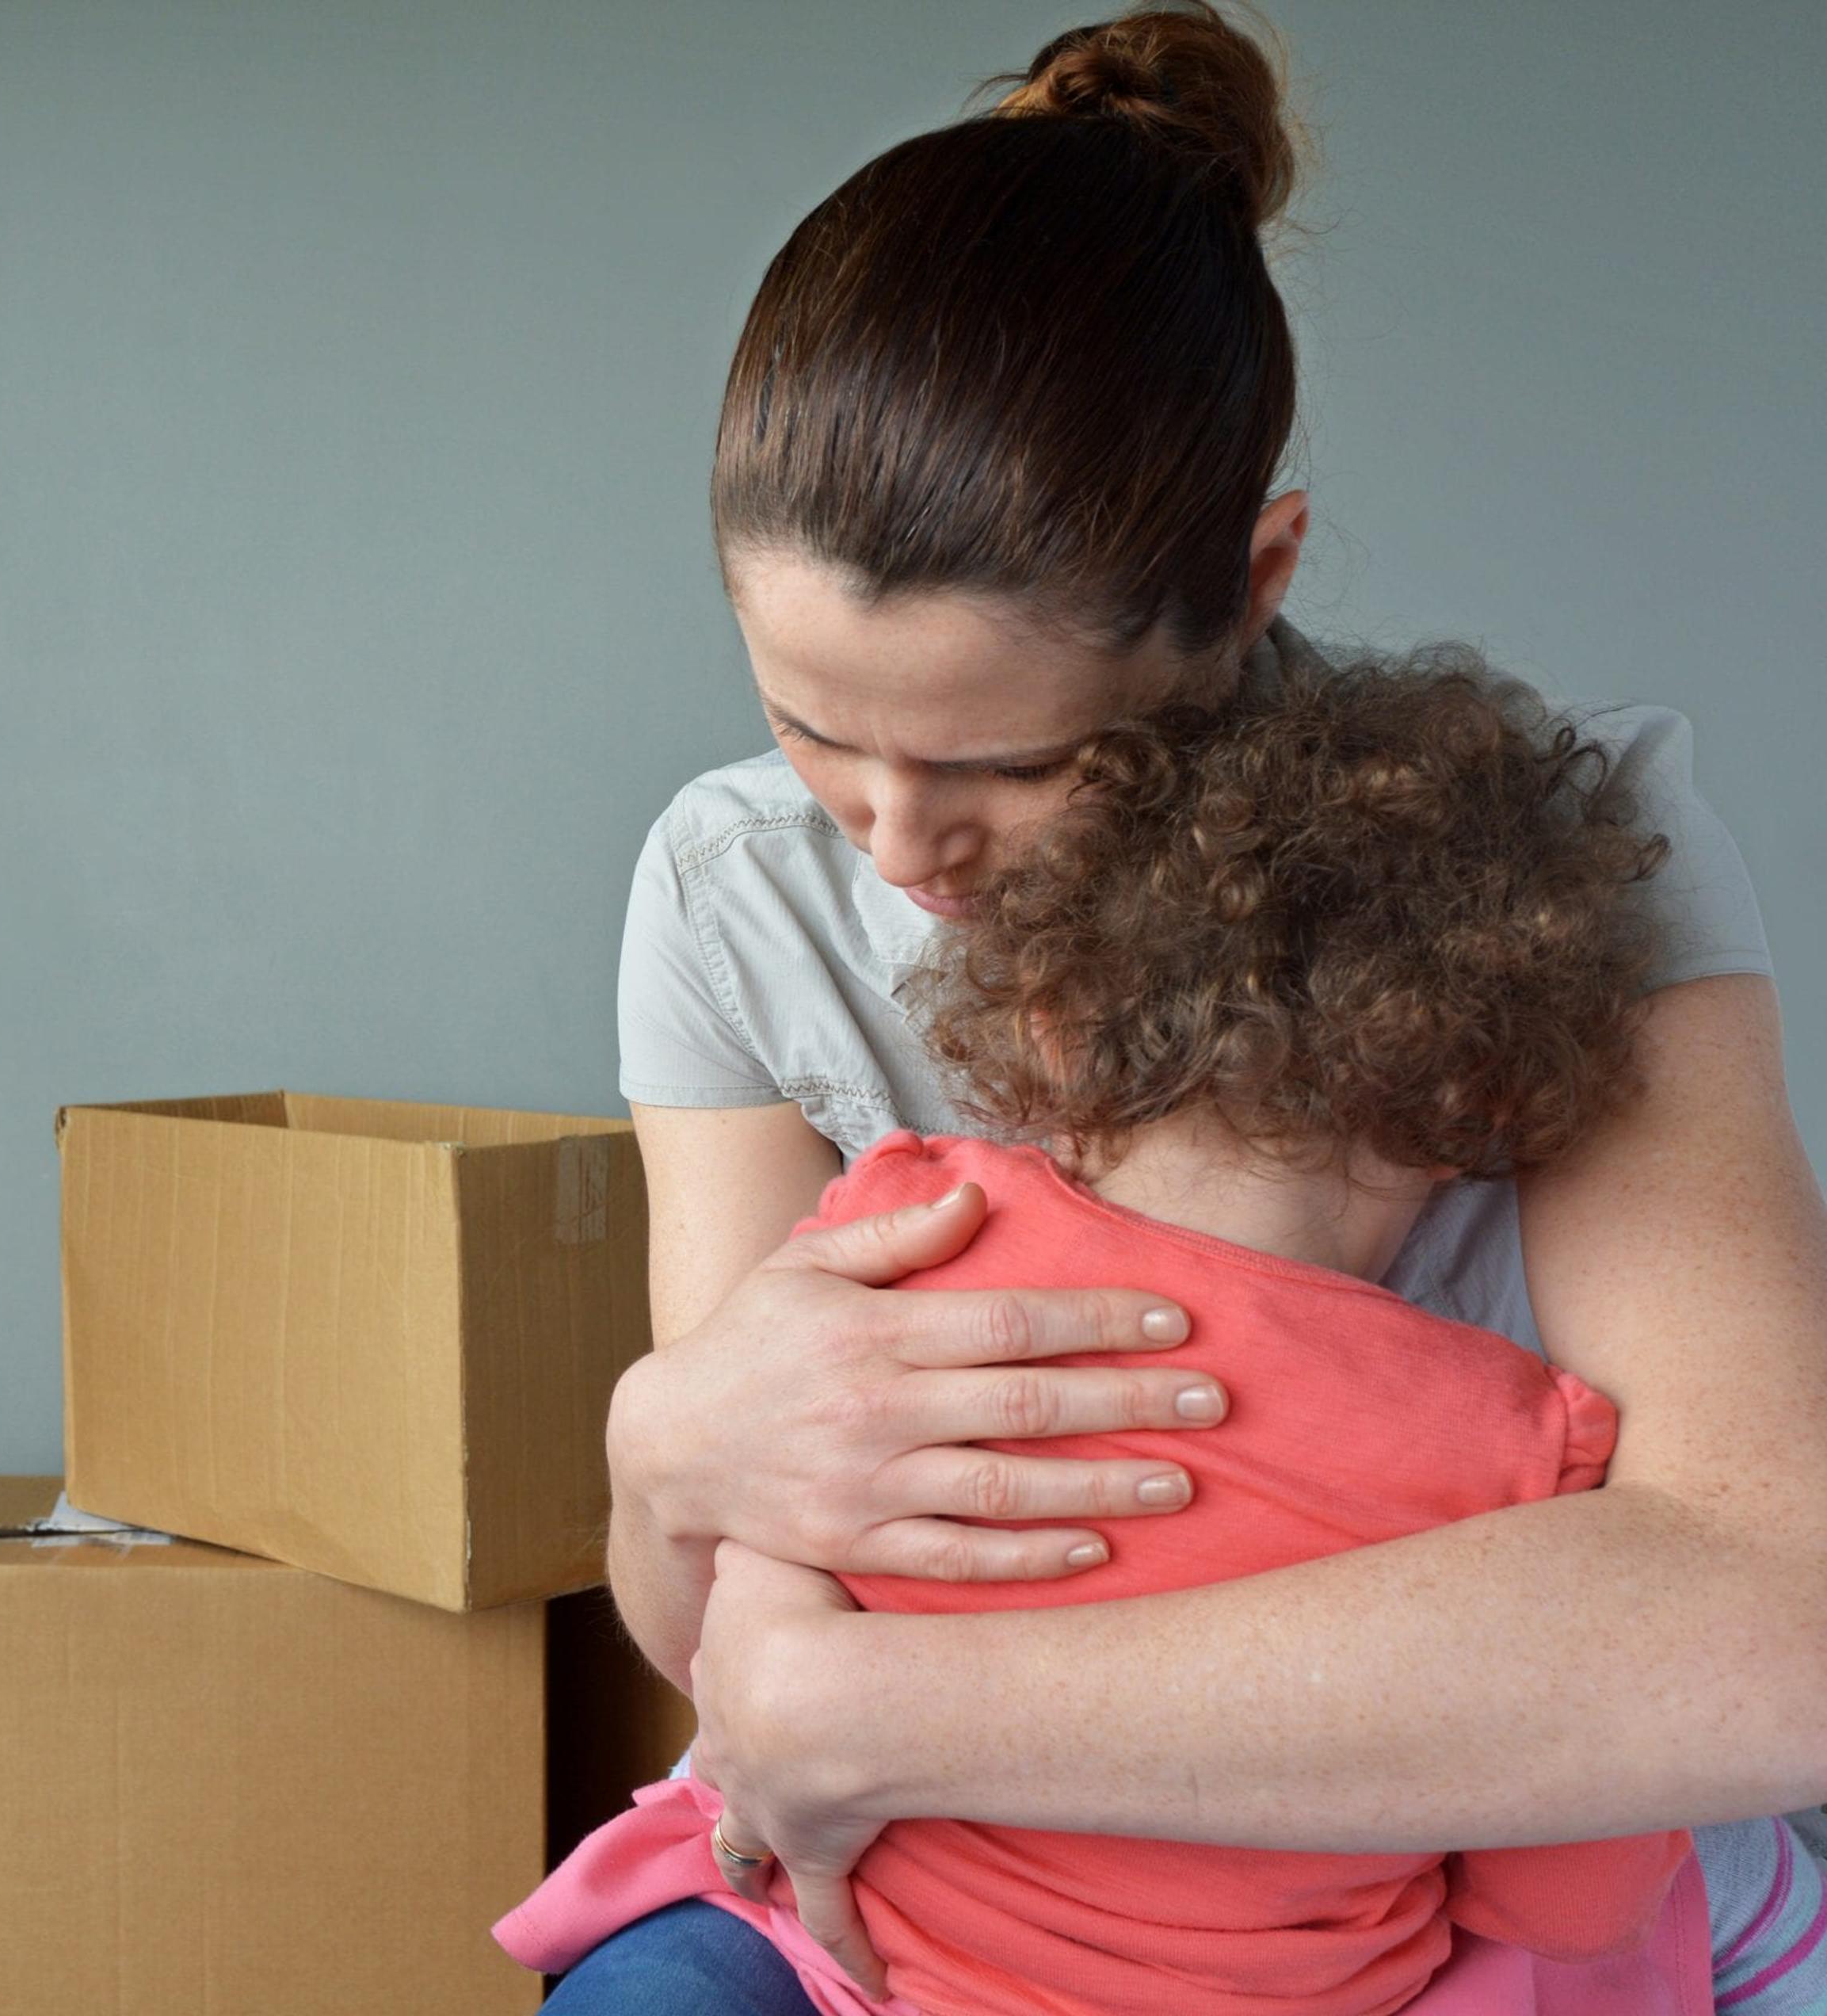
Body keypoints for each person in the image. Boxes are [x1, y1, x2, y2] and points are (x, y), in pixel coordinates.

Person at [559, 2, 1827, 2009]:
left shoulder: (1555, 861)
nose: (898, 846)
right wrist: (660, 1453)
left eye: (1014, 766)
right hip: (957, 1885)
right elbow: (725, 1632)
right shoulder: (733, 887)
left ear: (1255, 579)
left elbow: (1776, 1627)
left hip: (1445, 1846)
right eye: (812, 726)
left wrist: (897, 1713)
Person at [507, 653, 1735, 2010]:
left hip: (863, 1959)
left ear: (1040, 1025)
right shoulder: (1524, 1447)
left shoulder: (914, 1215)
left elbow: (732, 1606)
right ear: (1467, 1108)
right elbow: (1576, 1897)